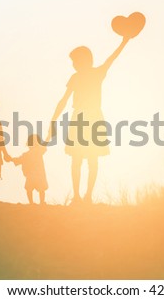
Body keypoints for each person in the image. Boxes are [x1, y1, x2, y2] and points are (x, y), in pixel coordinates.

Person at [50, 36, 130, 204]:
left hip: (92, 118)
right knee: (77, 159)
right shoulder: (75, 77)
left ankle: (87, 196)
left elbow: (112, 58)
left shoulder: (97, 73)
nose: (73, 65)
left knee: (90, 159)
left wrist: (124, 41)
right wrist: (53, 120)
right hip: (80, 118)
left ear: (84, 60)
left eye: (75, 61)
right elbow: (63, 100)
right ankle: (79, 196)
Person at [11, 134, 48, 205]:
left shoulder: (29, 153)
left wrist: (10, 159)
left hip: (32, 175)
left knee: (30, 188)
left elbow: (18, 160)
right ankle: (41, 202)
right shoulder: (37, 151)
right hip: (38, 174)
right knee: (40, 189)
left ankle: (32, 202)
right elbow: (18, 160)